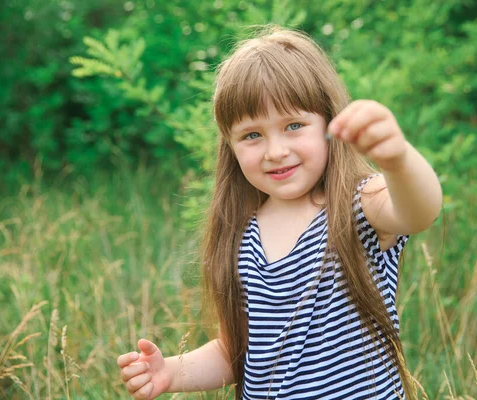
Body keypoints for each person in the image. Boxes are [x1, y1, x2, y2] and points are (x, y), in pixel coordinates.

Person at [117, 25, 442, 400]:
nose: (275, 150)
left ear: (329, 123)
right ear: (231, 146)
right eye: (252, 135)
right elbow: (235, 352)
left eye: (293, 126)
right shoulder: (241, 237)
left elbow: (421, 212)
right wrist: (172, 372)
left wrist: (398, 160)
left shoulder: (358, 205)